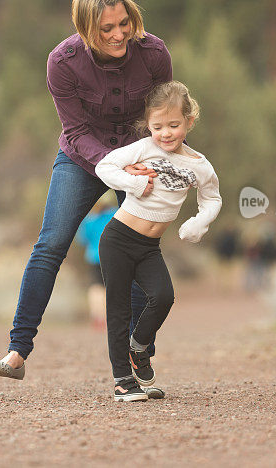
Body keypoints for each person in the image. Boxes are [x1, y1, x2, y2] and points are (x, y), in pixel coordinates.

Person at [0, 0, 172, 394]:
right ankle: (17, 352)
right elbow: (75, 130)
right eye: (106, 28)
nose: (119, 34)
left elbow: (161, 118)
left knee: (140, 249)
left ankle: (135, 353)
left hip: (138, 157)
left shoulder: (154, 53)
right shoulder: (62, 62)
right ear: (85, 28)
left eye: (124, 23)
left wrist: (151, 161)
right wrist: (113, 165)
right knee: (50, 244)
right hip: (82, 158)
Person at [94, 80, 222, 401]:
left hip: (149, 247)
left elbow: (212, 199)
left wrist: (199, 222)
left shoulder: (199, 166)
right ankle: (123, 381)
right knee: (119, 308)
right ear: (148, 125)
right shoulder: (143, 148)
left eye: (174, 125)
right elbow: (104, 166)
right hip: (119, 239)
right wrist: (133, 185)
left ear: (189, 122)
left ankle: (139, 348)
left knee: (163, 296)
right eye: (157, 126)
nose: (165, 133)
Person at [75, 194, 118, 330]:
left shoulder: (89, 219)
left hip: (93, 256)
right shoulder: (116, 214)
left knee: (96, 287)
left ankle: (98, 318)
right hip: (113, 256)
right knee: (113, 287)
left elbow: (81, 240)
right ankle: (113, 318)